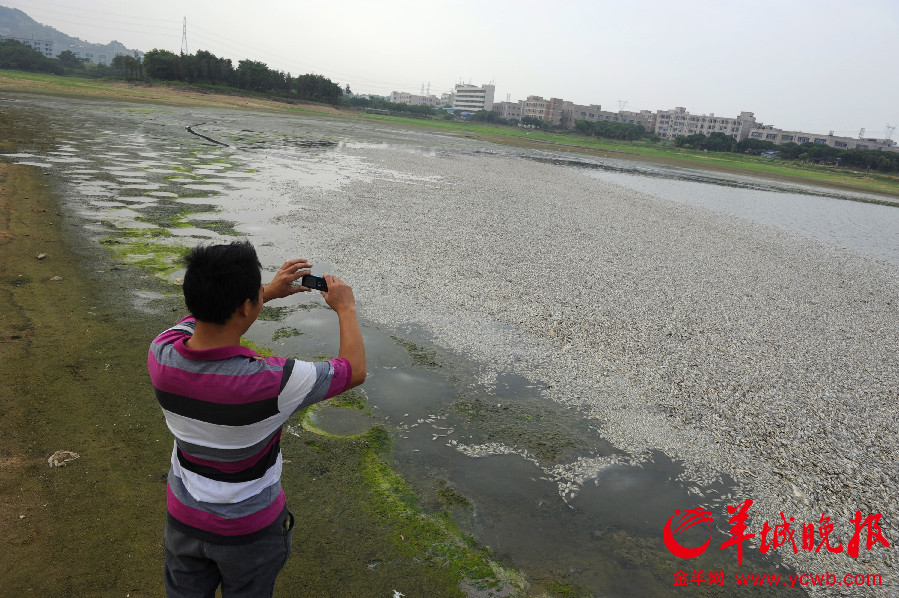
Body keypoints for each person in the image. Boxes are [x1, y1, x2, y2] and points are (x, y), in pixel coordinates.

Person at [147, 240, 366, 597]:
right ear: (248, 306)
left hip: (183, 521)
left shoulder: (161, 352)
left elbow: (202, 322)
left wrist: (264, 293)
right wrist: (346, 308)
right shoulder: (273, 382)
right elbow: (353, 370)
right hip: (249, 532)